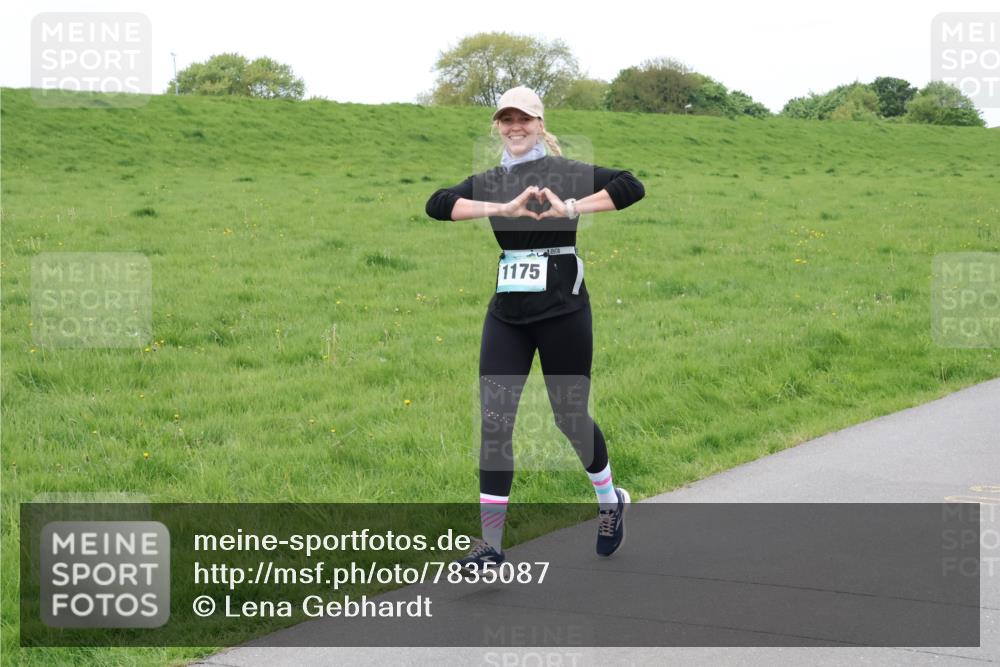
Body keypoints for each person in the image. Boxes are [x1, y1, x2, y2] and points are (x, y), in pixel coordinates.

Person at [424, 86, 646, 570]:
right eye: (506, 119)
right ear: (498, 127)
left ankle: (609, 500)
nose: (515, 127)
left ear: (540, 124)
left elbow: (631, 186)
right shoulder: (489, 181)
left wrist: (572, 208)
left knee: (569, 417)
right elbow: (438, 203)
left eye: (523, 118)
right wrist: (499, 209)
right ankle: (491, 544)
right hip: (508, 314)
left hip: (563, 310)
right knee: (495, 421)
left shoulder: (566, 172)